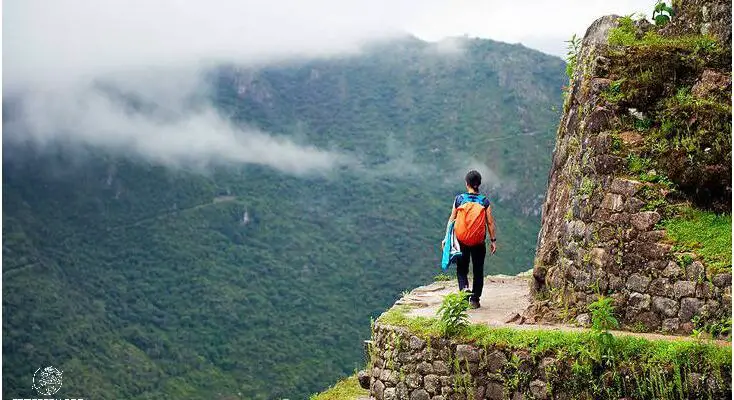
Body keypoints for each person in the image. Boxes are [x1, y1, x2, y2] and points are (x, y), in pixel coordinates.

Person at [442, 170, 497, 309]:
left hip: (462, 241)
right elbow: (490, 222)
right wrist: (493, 240)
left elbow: (452, 219)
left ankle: (464, 291)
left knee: (462, 268)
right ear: (479, 184)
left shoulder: (459, 199)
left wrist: (446, 238)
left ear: (467, 184)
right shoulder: (484, 201)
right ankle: (475, 299)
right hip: (479, 242)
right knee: (478, 269)